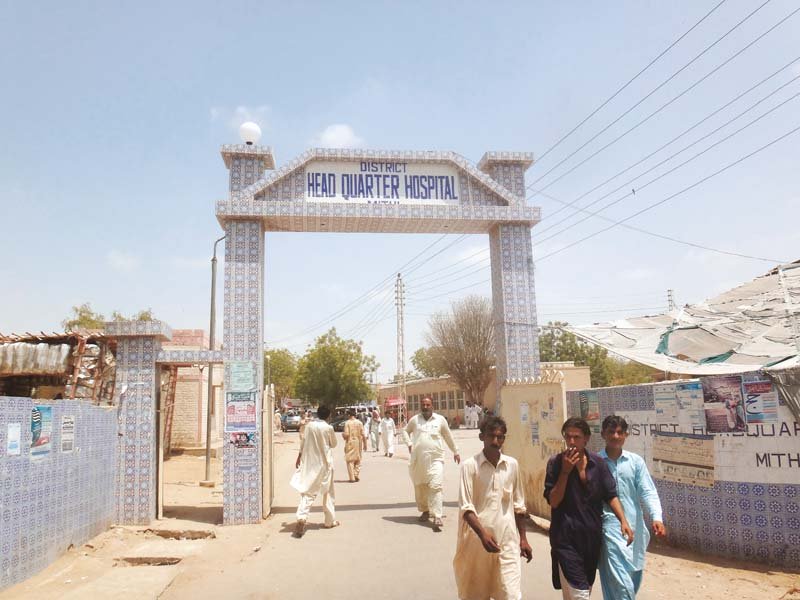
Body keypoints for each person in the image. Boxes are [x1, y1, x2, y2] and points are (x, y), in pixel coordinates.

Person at [544, 417, 633, 600]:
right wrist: (565, 472)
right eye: (568, 437)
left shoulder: (598, 463)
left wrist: (623, 521)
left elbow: (610, 494)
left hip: (591, 540)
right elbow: (553, 501)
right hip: (565, 539)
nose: (571, 442)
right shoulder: (556, 463)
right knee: (581, 595)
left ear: (586, 439)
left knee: (581, 591)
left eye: (576, 437)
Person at [453, 416, 533, 600]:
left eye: (501, 437)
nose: (496, 441)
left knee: (510, 594)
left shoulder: (511, 465)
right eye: (492, 436)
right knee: (475, 594)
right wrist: (482, 534)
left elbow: (519, 506)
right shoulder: (470, 466)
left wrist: (523, 539)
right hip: (476, 544)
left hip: (507, 542)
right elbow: (466, 508)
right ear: (482, 437)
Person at [598, 416, 665, 600]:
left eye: (620, 432)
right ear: (603, 433)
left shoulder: (635, 462)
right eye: (611, 432)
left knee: (632, 578)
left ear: (626, 435)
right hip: (609, 529)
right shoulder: (596, 463)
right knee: (620, 584)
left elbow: (647, 491)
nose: (615, 436)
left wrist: (656, 517)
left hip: (635, 530)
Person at [403, 396, 460, 532]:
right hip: (418, 460)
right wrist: (409, 443)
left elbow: (448, 436)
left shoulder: (440, 420)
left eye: (428, 404)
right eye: (423, 404)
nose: (425, 407)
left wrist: (455, 451)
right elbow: (405, 431)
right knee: (421, 487)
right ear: (420, 406)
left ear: (432, 406)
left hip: (436, 459)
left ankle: (437, 515)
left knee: (436, 486)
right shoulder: (415, 420)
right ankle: (425, 510)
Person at [290, 404, 339, 537]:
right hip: (325, 465)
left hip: (310, 464)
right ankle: (330, 521)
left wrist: (299, 456)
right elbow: (334, 444)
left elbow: (303, 442)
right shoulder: (328, 428)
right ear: (328, 416)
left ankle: (302, 517)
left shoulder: (309, 426)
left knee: (308, 492)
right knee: (328, 492)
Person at [343, 409, 367, 482]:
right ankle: (356, 473)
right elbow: (363, 434)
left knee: (350, 460)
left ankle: (352, 478)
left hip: (350, 442)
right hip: (358, 442)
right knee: (358, 459)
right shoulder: (359, 423)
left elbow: (346, 435)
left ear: (349, 415)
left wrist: (343, 435)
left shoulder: (347, 423)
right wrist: (365, 444)